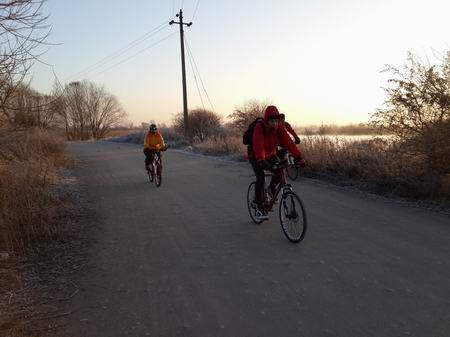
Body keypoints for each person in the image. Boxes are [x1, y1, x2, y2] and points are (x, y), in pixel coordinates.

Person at [249, 105, 305, 221]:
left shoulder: (279, 128)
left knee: (279, 172)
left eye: (276, 121)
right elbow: (258, 144)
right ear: (267, 120)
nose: (274, 123)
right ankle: (259, 206)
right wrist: (261, 160)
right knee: (261, 177)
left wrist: (299, 157)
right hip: (256, 155)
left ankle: (270, 189)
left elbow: (289, 143)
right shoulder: (260, 127)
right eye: (272, 121)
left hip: (270, 154)